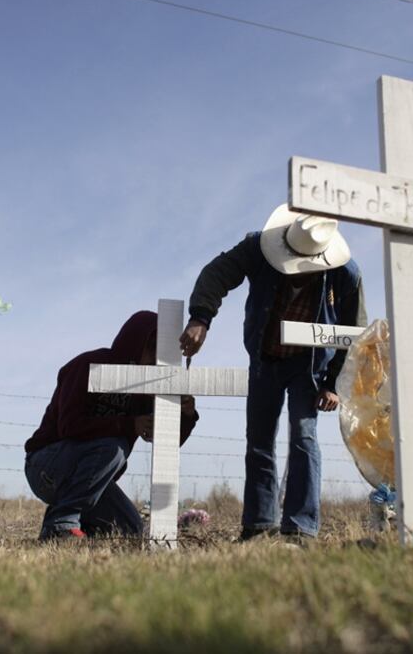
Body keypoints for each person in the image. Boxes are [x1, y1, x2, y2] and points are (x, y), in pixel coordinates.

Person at [179, 204, 365, 541]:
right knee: (259, 440)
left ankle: (300, 529)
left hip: (308, 366)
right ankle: (259, 525)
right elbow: (216, 274)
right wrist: (200, 318)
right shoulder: (256, 247)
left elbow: (354, 332)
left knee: (304, 436)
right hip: (265, 358)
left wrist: (334, 383)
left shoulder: (345, 274)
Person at [25, 311, 199, 540]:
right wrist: (130, 425)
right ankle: (60, 523)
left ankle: (80, 524)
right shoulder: (88, 366)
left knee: (129, 529)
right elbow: (69, 426)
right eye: (152, 348)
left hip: (90, 481)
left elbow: (169, 441)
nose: (156, 358)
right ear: (136, 343)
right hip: (46, 466)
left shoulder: (145, 389)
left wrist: (186, 415)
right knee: (113, 448)